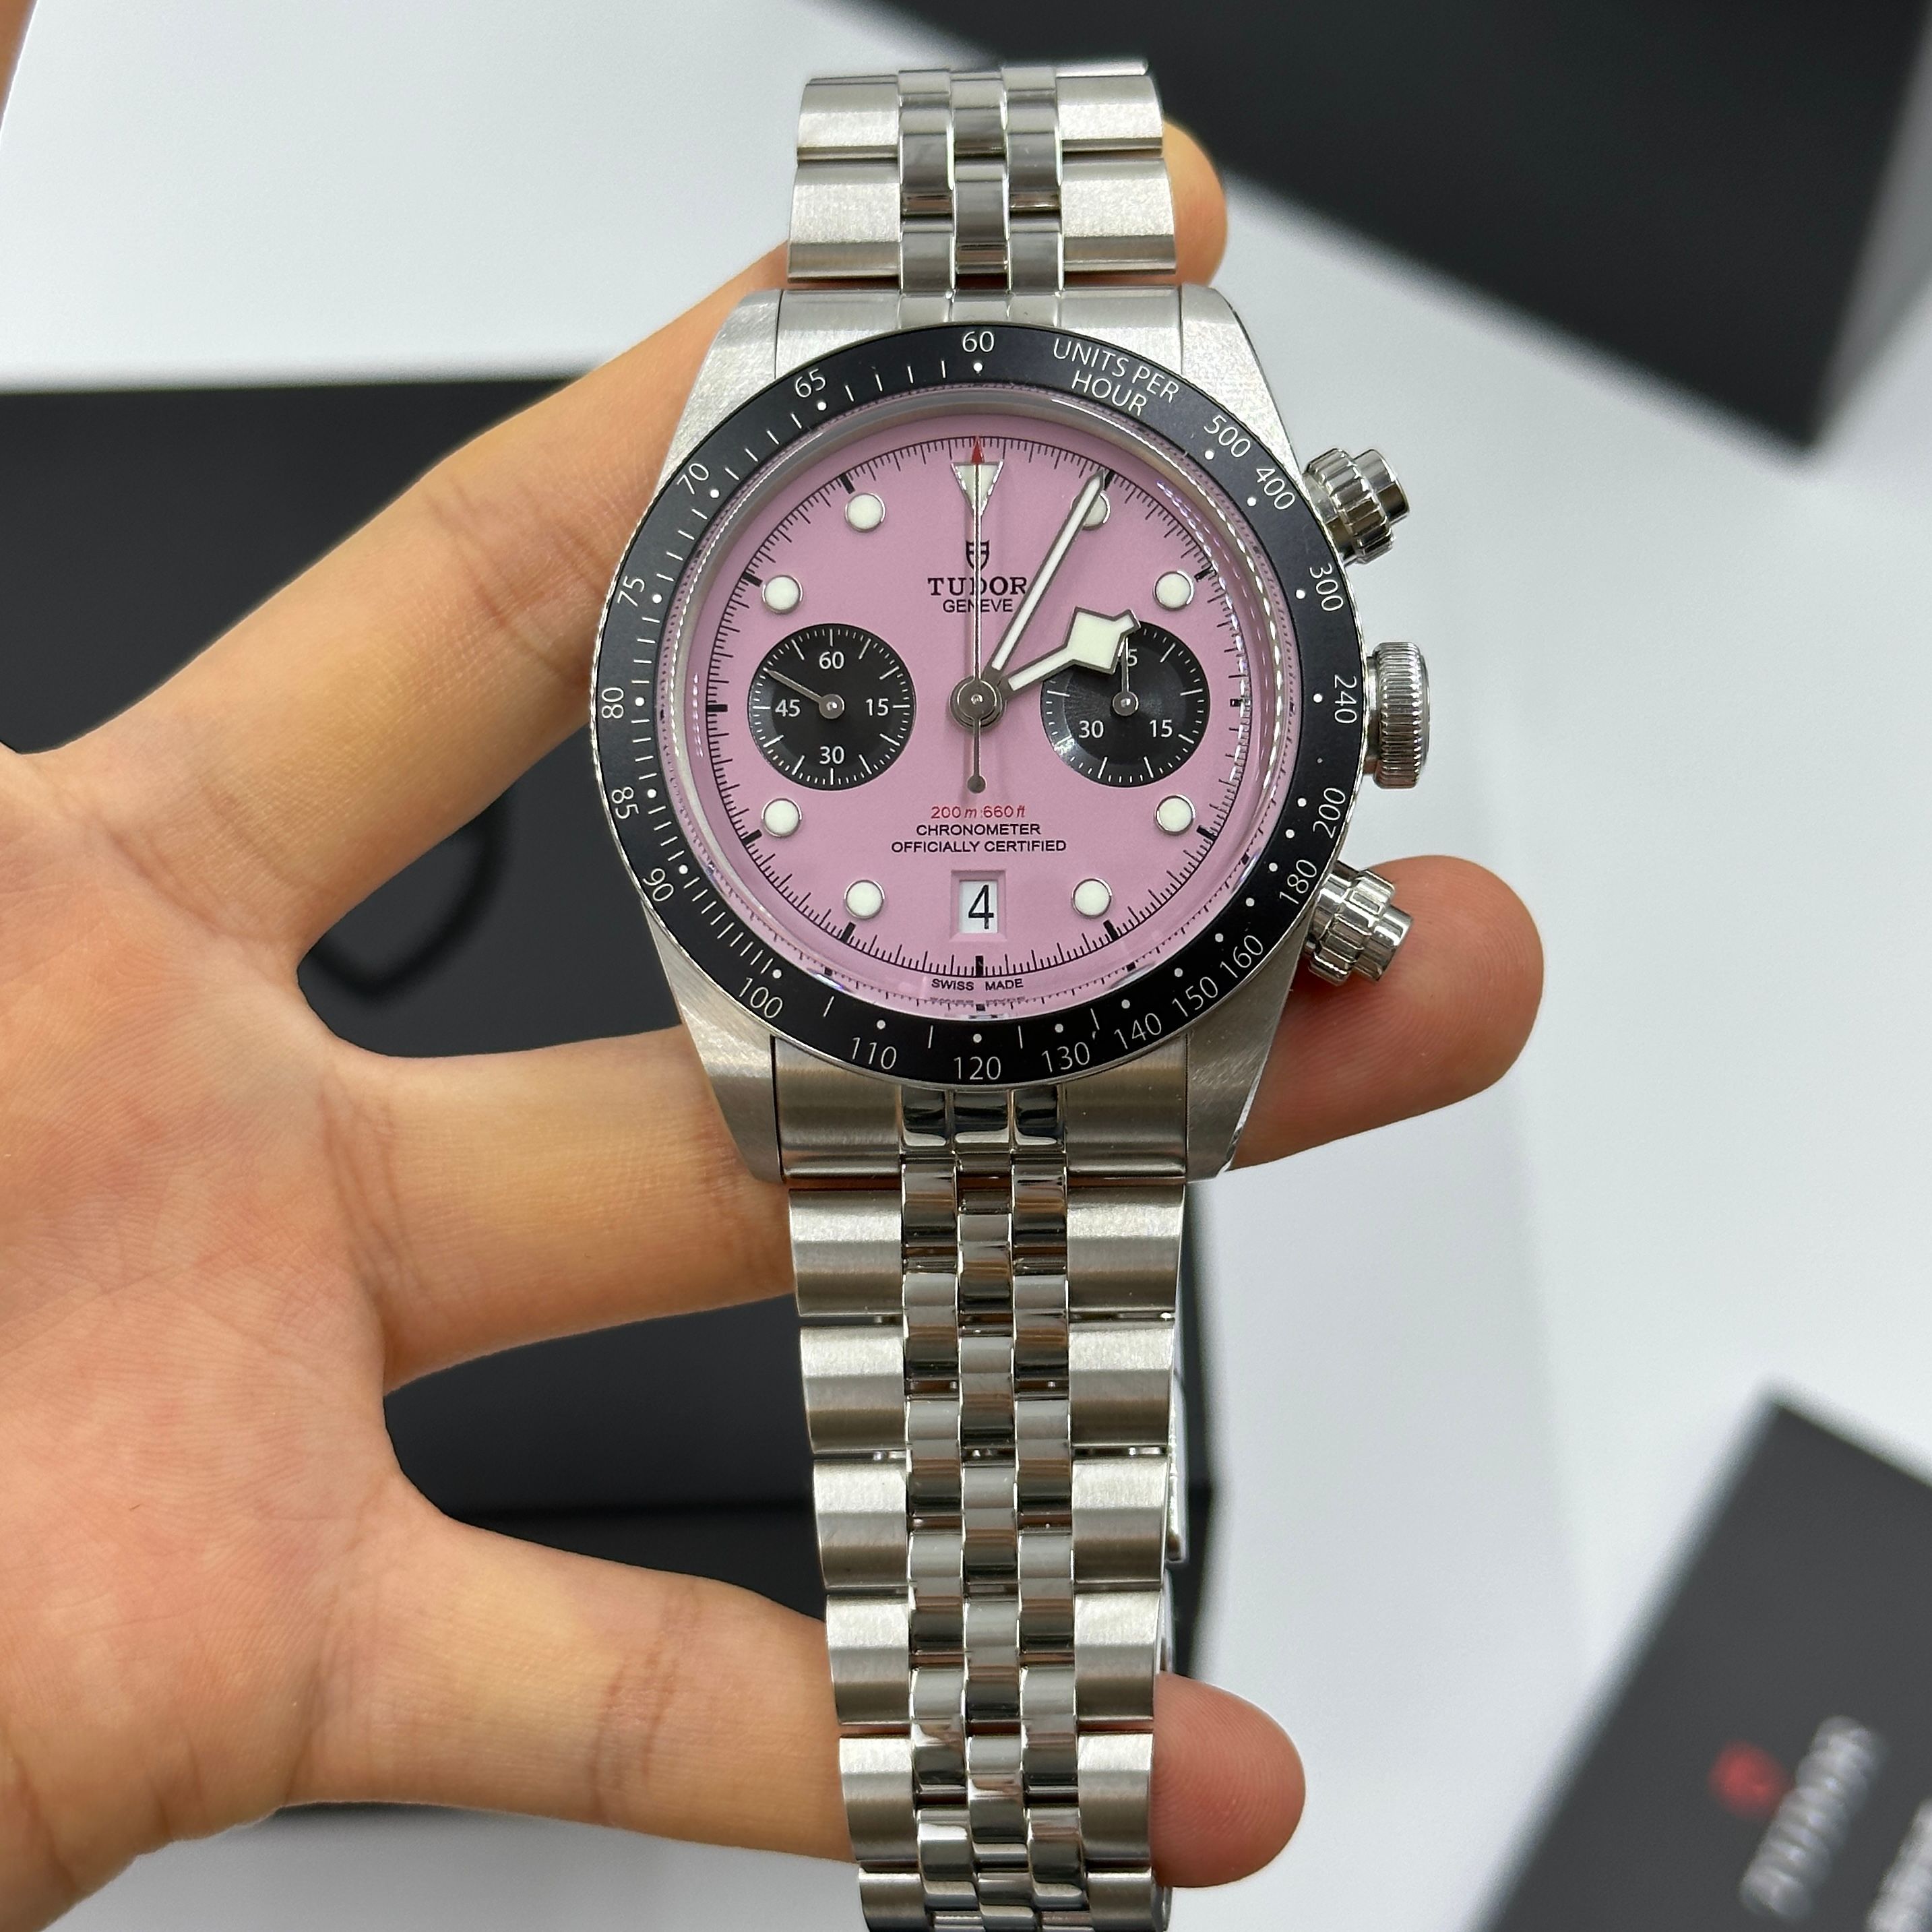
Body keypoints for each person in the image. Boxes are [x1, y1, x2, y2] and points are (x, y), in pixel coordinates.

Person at [0, 6, 1540, 1923]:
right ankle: (1005, 1813)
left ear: (1345, 695)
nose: (973, 708)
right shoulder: (733, 679)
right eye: (884, 691)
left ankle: (1009, 1813)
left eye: (1079, 690)